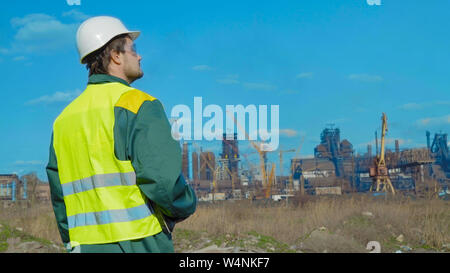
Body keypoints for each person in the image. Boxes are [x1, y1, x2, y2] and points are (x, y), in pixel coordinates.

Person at [46, 16, 197, 253]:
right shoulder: (139, 105)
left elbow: (59, 195)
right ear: (116, 56)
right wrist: (185, 205)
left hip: (84, 245)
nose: (139, 56)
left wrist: (71, 241)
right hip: (139, 241)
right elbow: (162, 181)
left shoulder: (64, 120)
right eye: (133, 49)